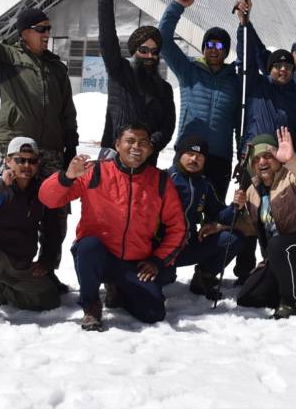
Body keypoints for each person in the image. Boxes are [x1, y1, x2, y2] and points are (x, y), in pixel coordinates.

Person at [0, 0, 79, 289]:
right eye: (42, 29)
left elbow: (67, 111)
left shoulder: (56, 68)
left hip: (52, 153)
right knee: (13, 210)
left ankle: (46, 267)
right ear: (25, 32)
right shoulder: (6, 58)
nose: (48, 34)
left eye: (49, 29)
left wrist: (70, 147)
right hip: (19, 151)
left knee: (55, 213)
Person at [39, 124, 186, 330]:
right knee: (88, 246)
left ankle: (119, 291)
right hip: (98, 257)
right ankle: (91, 305)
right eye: (130, 141)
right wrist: (67, 176)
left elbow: (178, 227)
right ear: (117, 144)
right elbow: (48, 199)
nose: (136, 146)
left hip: (133, 263)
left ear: (151, 150)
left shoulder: (160, 180)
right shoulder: (95, 171)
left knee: (153, 314)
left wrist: (157, 261)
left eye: (143, 143)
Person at [234, 128, 296, 319]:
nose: (262, 162)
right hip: (278, 258)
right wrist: (227, 219)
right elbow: (249, 227)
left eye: (268, 156)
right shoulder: (252, 191)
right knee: (248, 297)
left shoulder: (292, 177)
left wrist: (292, 160)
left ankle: (291, 303)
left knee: (278, 244)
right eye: (256, 159)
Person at [0, 137, 60, 325]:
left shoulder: (41, 191)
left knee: (50, 300)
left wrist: (46, 260)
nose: (26, 165)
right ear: (8, 161)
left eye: (31, 161)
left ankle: (0, 289)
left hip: (19, 265)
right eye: (19, 160)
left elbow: (51, 228)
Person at [158, 0, 240, 199]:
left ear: (226, 51)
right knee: (177, 208)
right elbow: (164, 40)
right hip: (188, 152)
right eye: (209, 45)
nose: (214, 50)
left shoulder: (235, 80)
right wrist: (177, 7)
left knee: (214, 215)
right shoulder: (188, 71)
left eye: (220, 46)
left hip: (219, 157)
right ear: (203, 48)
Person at [97, 0, 175, 165]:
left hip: (146, 163)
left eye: (154, 51)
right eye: (144, 50)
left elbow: (167, 126)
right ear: (133, 51)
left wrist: (149, 145)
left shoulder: (164, 89)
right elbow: (108, 40)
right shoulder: (119, 72)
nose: (149, 56)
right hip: (113, 161)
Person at [234, 0, 296, 166]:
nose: (283, 70)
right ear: (269, 68)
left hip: (285, 166)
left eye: (287, 67)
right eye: (278, 66)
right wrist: (244, 24)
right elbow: (248, 56)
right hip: (254, 160)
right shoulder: (257, 85)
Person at [167, 135, 245, 300]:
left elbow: (218, 214)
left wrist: (234, 206)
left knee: (233, 238)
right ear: (180, 154)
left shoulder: (204, 184)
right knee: (165, 278)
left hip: (189, 244)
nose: (194, 159)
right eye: (190, 154)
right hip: (163, 248)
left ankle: (204, 278)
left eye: (200, 156)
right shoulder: (164, 180)